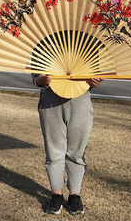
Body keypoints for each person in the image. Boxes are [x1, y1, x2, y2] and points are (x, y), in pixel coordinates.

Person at [32, 73, 103, 215]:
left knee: (77, 151)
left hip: (81, 99)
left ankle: (74, 196)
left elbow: (98, 73)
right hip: (50, 99)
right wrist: (39, 81)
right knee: (53, 151)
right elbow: (35, 76)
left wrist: (95, 81)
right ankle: (56, 194)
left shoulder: (90, 50)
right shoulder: (42, 49)